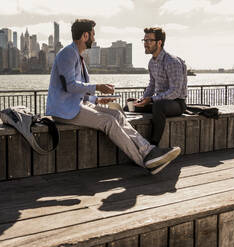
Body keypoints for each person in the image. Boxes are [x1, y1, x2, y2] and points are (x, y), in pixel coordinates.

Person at [46, 19, 181, 174]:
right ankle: (144, 161)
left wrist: (96, 99)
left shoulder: (77, 56)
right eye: (93, 34)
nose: (94, 38)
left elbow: (75, 93)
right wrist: (98, 87)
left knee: (117, 114)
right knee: (108, 121)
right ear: (85, 35)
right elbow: (69, 86)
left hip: (75, 105)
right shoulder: (68, 54)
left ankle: (147, 149)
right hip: (64, 111)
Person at [134, 27, 188, 147]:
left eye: (149, 41)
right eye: (144, 40)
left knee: (158, 106)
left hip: (177, 104)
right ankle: (134, 143)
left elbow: (175, 91)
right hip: (160, 101)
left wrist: (152, 99)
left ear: (159, 42)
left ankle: (153, 145)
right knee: (131, 106)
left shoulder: (172, 61)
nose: (145, 44)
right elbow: (152, 85)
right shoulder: (152, 62)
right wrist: (142, 100)